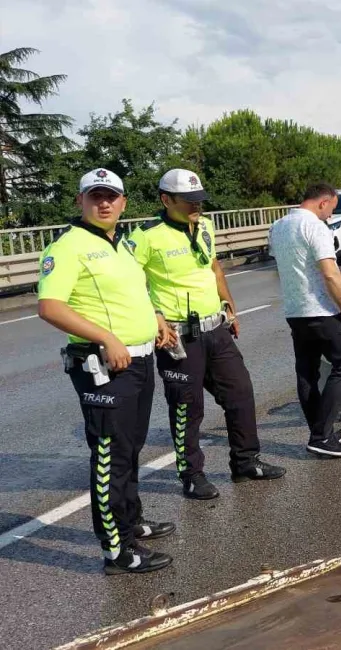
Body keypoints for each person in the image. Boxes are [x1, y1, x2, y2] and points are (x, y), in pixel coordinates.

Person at [37, 168, 176, 574]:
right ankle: (116, 550)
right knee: (110, 457)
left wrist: (156, 318)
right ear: (80, 201)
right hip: (104, 366)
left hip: (140, 360)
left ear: (123, 202)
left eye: (111, 196)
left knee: (130, 448)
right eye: (95, 196)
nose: (104, 203)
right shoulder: (68, 247)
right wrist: (106, 337)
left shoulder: (122, 244)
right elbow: (51, 306)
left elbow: (131, 293)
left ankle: (131, 523)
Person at [128, 169, 285, 500]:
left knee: (240, 393)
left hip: (216, 328)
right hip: (179, 338)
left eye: (199, 200)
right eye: (188, 202)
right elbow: (129, 283)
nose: (196, 206)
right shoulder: (146, 236)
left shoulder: (205, 226)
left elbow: (213, 268)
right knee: (188, 407)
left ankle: (246, 462)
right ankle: (191, 475)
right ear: (165, 200)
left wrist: (229, 305)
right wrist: (154, 317)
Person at [269, 183, 341, 458]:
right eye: (331, 209)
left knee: (307, 372)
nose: (331, 216)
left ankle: (320, 432)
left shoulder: (278, 226)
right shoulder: (315, 227)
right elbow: (330, 274)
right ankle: (322, 435)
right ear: (323, 202)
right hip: (319, 310)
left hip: (294, 312)